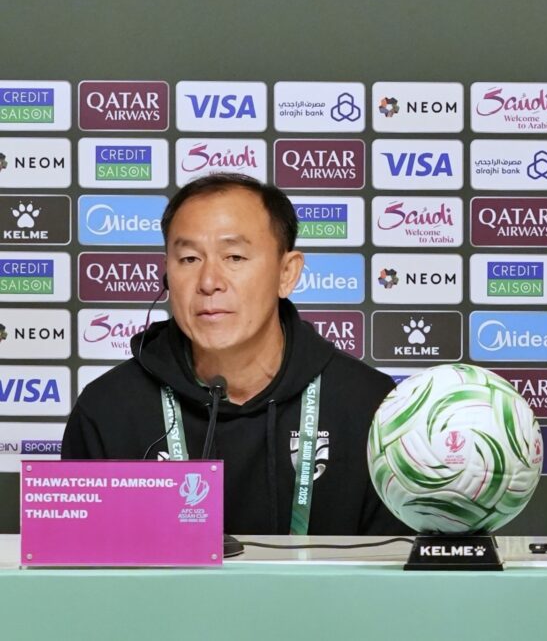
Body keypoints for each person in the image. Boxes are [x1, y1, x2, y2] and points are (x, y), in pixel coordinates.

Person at [64, 173, 408, 536]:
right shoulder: (108, 409)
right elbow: (79, 562)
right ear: (166, 275)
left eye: (234, 257)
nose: (209, 282)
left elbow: (400, 565)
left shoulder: (371, 407)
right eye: (189, 258)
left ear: (287, 273)